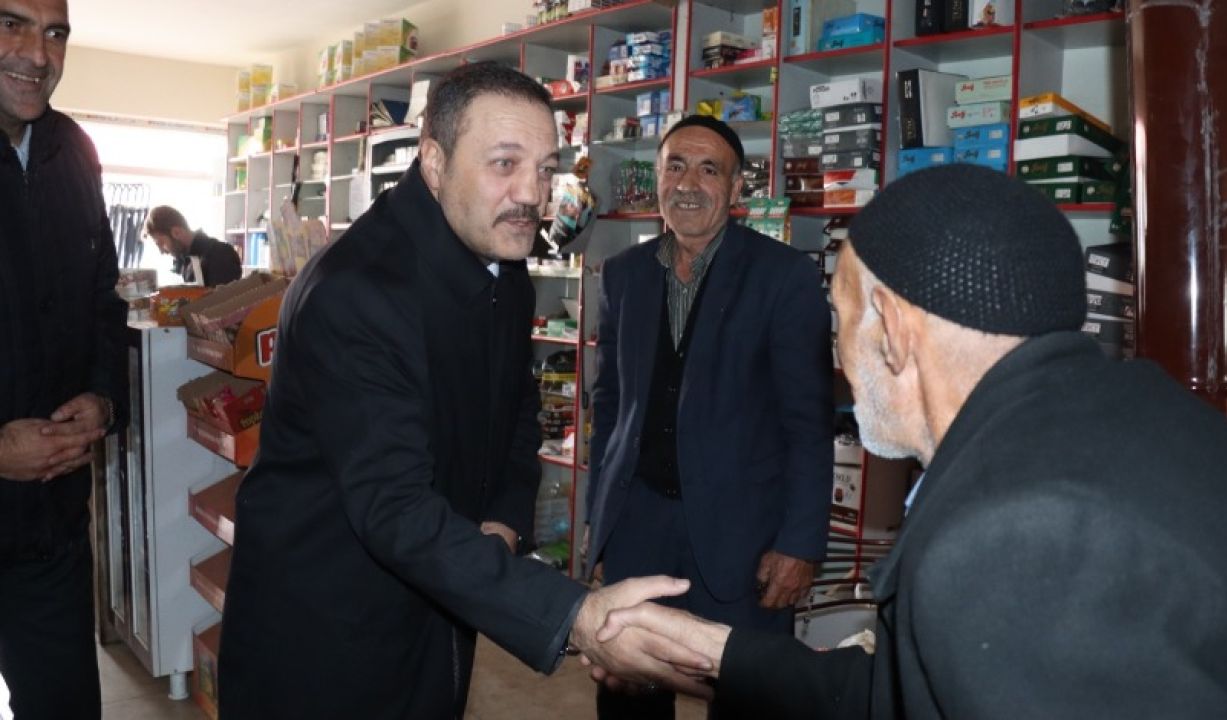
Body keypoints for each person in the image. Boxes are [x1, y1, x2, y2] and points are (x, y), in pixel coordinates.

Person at [593, 164, 1227, 718]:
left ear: (891, 327)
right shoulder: (1136, 407)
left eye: (840, 318)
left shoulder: (1005, 537)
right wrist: (713, 651)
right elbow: (908, 693)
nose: (836, 352)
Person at [217, 62, 713, 720]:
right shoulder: (357, 292)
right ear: (434, 162)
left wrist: (502, 523)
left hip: (440, 593)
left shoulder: (503, 262)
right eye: (504, 163)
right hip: (327, 627)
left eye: (545, 168)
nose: (531, 194)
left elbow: (518, 412)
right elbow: (393, 507)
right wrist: (574, 615)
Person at [584, 114, 833, 718]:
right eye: (675, 166)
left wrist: (800, 544)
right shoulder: (623, 274)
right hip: (639, 524)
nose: (688, 183)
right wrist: (601, 519)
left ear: (737, 187)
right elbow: (610, 404)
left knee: (749, 697)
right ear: (658, 179)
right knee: (628, 696)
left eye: (708, 169)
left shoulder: (784, 277)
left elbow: (808, 423)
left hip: (744, 537)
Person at [0, 0, 129, 717]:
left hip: (48, 529)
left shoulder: (73, 151)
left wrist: (103, 397)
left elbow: (102, 300)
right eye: (10, 22)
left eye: (55, 33)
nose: (37, 53)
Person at [144, 205, 242, 286]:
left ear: (176, 232)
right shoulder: (185, 261)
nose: (161, 251)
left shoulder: (220, 254)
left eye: (161, 243)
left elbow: (222, 300)